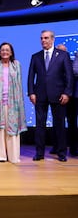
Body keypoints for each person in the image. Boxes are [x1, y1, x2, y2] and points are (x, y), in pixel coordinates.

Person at [27, 30, 73, 162]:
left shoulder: (63, 55)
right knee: (40, 126)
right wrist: (31, 92)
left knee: (59, 125)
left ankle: (61, 153)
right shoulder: (35, 56)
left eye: (46, 38)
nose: (43, 40)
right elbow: (31, 77)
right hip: (40, 95)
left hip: (59, 95)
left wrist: (67, 93)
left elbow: (69, 76)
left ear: (53, 39)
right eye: (41, 38)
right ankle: (39, 153)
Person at [0, 42, 27, 163]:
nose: (5, 52)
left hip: (13, 103)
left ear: (11, 52)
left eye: (7, 50)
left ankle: (13, 156)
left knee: (12, 128)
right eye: (2, 50)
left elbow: (19, 84)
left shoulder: (16, 64)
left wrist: (19, 102)